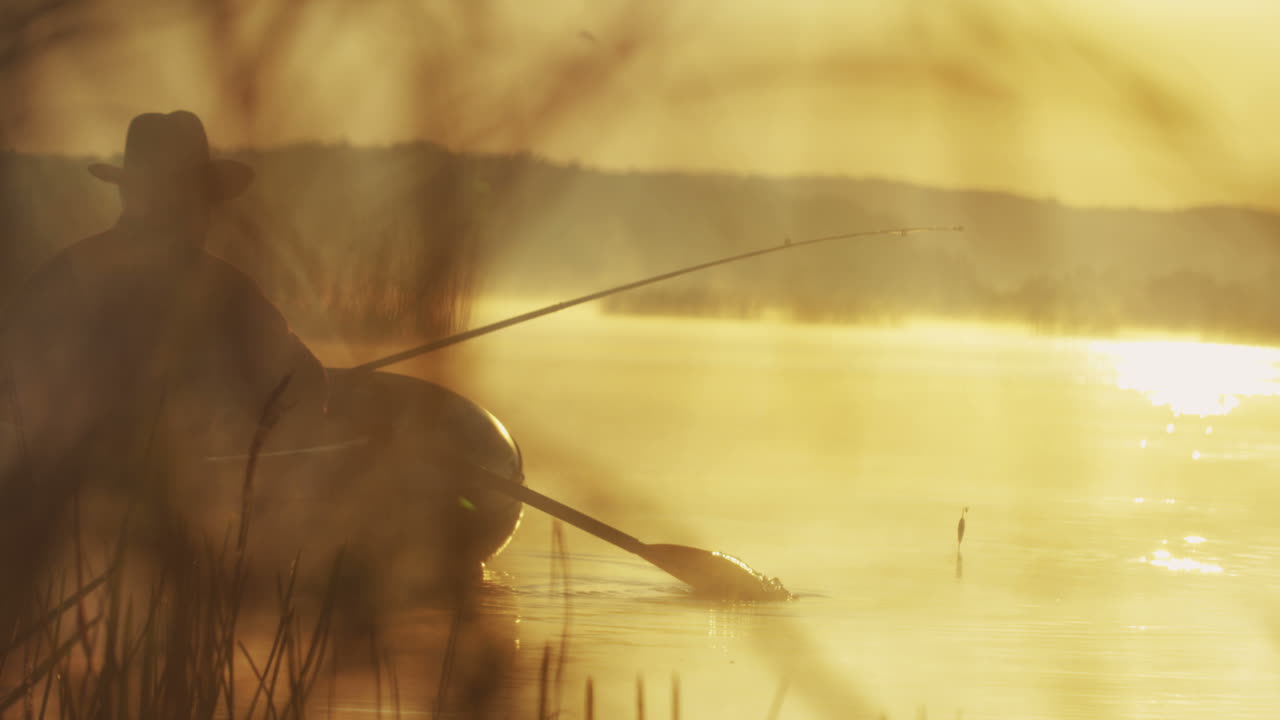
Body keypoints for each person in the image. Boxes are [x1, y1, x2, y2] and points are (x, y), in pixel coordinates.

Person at [0, 111, 329, 617]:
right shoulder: (224, 292)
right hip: (165, 532)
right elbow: (303, 385)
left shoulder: (64, 273)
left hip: (48, 528)